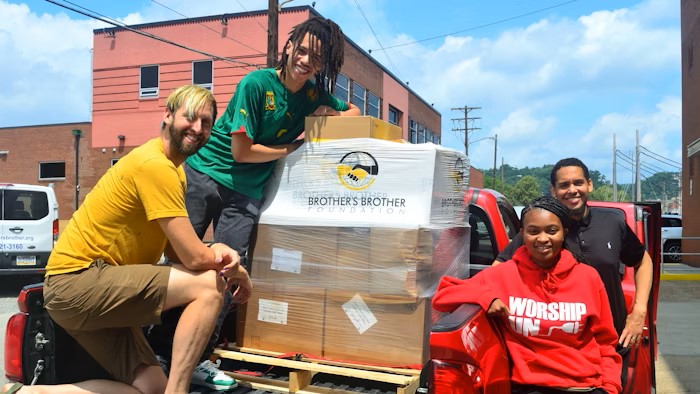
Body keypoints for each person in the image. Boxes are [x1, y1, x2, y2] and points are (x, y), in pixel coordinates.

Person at [145, 15, 361, 383]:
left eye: (317, 57)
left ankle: (194, 356)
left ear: (324, 65)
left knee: (230, 271)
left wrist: (326, 114)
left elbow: (353, 112)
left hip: (246, 191)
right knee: (179, 259)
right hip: (207, 173)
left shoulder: (312, 93)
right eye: (302, 50)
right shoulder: (256, 84)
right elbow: (242, 152)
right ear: (289, 46)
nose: (306, 60)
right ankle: (150, 348)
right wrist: (295, 144)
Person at [0, 85, 252, 394]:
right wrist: (237, 272)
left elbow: (178, 250)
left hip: (90, 286)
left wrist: (217, 249)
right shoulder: (154, 165)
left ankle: (28, 393)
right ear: (168, 115)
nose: (198, 128)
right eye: (190, 117)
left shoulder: (176, 171)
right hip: (78, 280)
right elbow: (195, 260)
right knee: (209, 285)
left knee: (150, 388)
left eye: (206, 122)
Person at [435, 196, 622, 394]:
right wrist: (485, 297)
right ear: (522, 234)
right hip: (527, 387)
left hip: (584, 386)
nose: (543, 239)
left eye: (552, 231)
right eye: (534, 231)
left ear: (564, 233)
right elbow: (443, 295)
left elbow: (605, 342)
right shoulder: (503, 275)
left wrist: (610, 388)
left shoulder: (588, 277)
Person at [494, 157, 653, 386]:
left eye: (578, 183)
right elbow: (499, 270)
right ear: (553, 190)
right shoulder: (542, 231)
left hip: (609, 343)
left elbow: (643, 261)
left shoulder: (613, 223)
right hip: (558, 350)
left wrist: (639, 311)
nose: (572, 190)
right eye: (564, 185)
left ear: (589, 184)